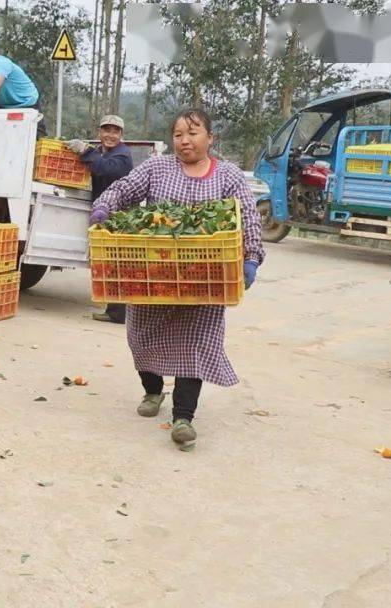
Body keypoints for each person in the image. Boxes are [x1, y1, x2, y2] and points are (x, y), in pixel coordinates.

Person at [88, 108, 264, 449]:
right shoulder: (157, 167)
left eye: (193, 133)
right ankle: (153, 391)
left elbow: (248, 218)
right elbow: (124, 189)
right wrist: (104, 207)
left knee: (196, 344)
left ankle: (184, 416)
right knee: (142, 337)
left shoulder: (227, 176)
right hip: (156, 274)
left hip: (205, 279)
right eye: (179, 134)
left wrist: (251, 257)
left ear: (210, 138)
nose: (185, 141)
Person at [68, 115, 135, 324]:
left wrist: (85, 152)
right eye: (106, 130)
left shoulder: (123, 156)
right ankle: (114, 309)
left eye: (115, 131)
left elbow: (104, 169)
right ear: (100, 132)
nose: (110, 135)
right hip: (104, 213)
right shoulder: (101, 152)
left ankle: (118, 313)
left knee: (116, 263)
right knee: (109, 263)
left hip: (118, 217)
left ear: (121, 135)